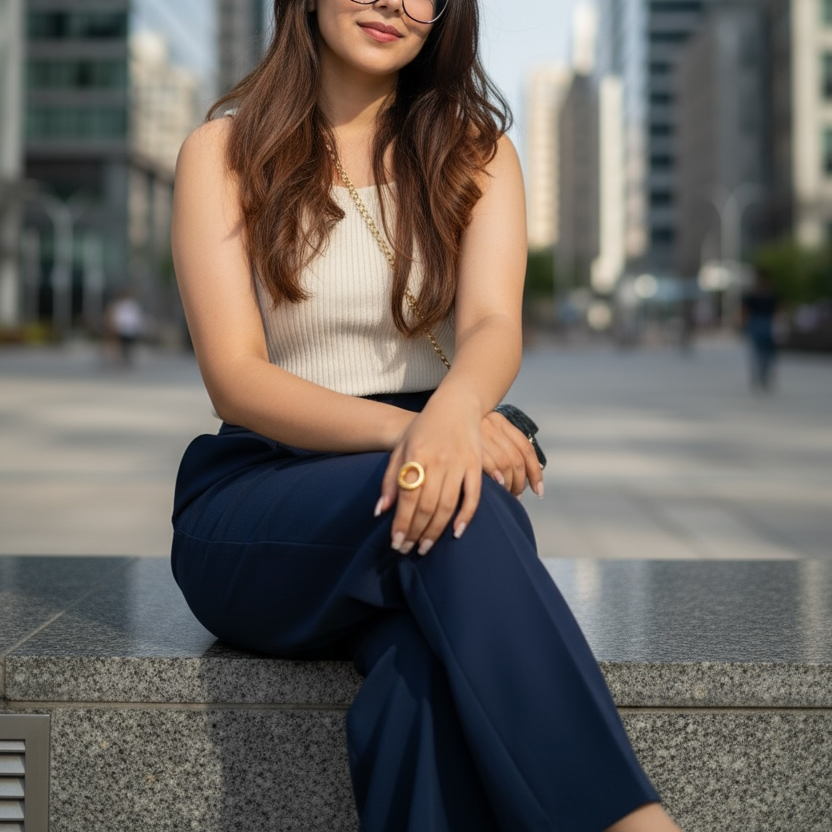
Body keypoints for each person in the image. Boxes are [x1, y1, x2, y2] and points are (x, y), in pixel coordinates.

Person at [170, 1, 685, 830]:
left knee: (421, 678)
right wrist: (427, 434)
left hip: (412, 497)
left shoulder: (475, 155)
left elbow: (491, 326)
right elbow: (236, 378)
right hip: (263, 498)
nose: (396, 5)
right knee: (455, 497)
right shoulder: (223, 152)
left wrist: (448, 414)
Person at [741, 270, 779, 391]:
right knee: (759, 354)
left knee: (766, 354)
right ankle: (760, 377)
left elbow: (780, 311)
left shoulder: (771, 295)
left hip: (766, 324)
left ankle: (762, 376)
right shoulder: (753, 296)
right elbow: (745, 311)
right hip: (758, 324)